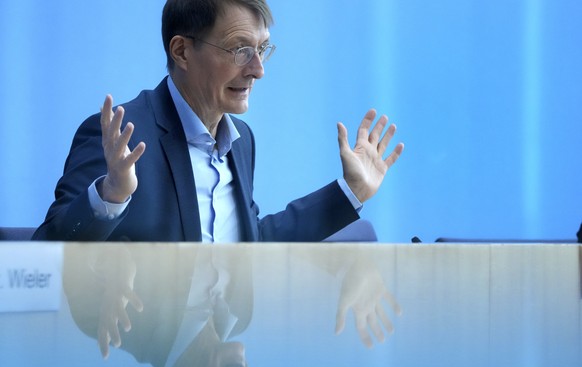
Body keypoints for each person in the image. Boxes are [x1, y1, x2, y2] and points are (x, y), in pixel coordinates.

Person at [32, 0, 404, 243]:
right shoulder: (120, 134)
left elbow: (249, 241)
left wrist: (350, 191)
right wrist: (111, 193)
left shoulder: (241, 140)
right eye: (241, 50)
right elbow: (47, 250)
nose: (258, 70)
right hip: (142, 356)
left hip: (228, 349)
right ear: (182, 51)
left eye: (261, 49)